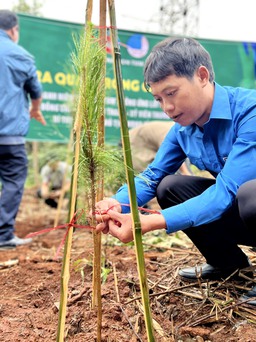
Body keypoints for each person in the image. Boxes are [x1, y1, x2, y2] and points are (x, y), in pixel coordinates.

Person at [93, 37, 256, 306]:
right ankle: (227, 264)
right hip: (243, 214)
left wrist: (153, 221)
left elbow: (226, 191)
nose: (167, 108)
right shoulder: (182, 130)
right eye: (158, 99)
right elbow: (152, 176)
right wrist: (118, 202)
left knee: (250, 194)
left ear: (202, 76)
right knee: (170, 186)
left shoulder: (249, 112)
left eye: (171, 93)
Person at [0, 10, 46, 249]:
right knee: (13, 180)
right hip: (9, 137)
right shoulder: (21, 55)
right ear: (14, 30)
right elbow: (35, 93)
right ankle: (3, 235)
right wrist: (35, 109)